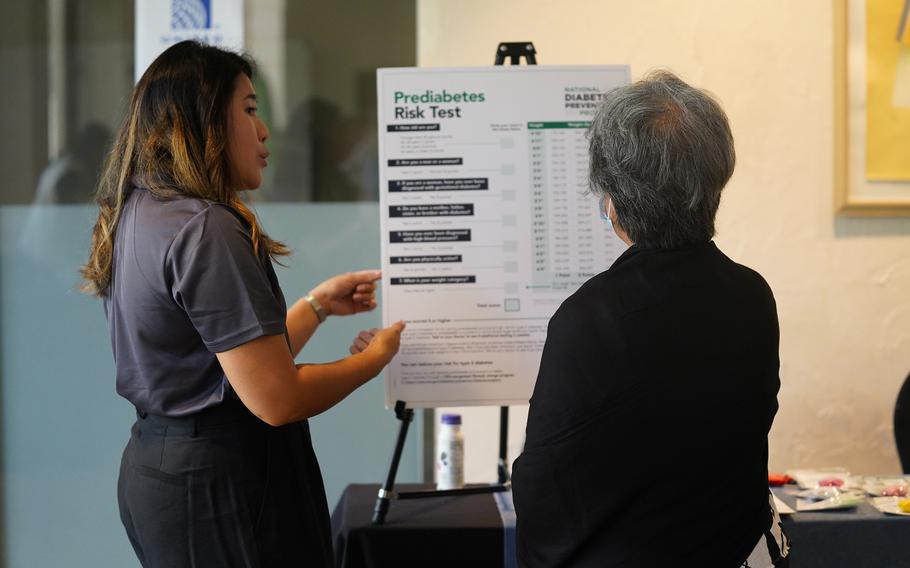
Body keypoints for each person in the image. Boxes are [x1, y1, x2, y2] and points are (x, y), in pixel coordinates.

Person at [80, 40, 404, 567]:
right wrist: (374, 359)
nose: (264, 130)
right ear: (204, 118)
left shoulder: (141, 208)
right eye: (250, 110)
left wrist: (317, 306)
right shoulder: (205, 227)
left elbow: (230, 368)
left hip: (160, 468)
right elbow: (276, 398)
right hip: (218, 484)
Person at [511, 71, 789, 567]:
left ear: (613, 198)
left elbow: (547, 485)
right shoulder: (752, 295)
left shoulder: (589, 318)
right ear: (716, 182)